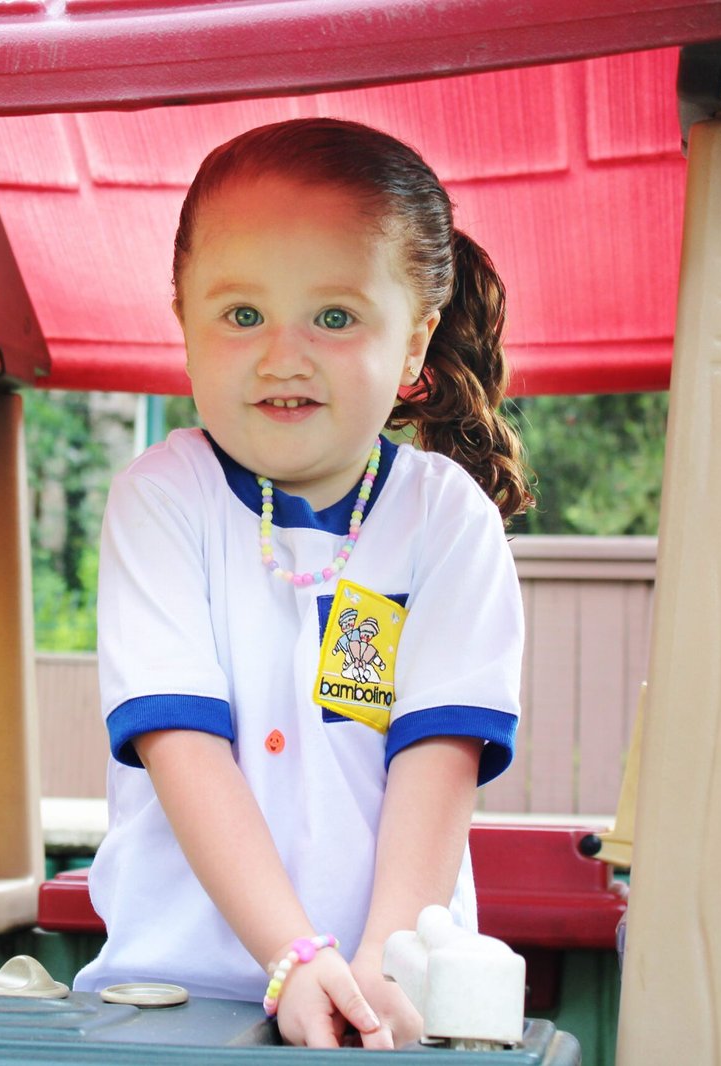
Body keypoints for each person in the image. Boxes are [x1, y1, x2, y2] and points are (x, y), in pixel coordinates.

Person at [72, 117, 532, 1050]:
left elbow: (436, 762)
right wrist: (291, 956)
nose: (284, 355)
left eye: (334, 317)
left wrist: (378, 968)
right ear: (185, 325)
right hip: (172, 1003)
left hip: (390, 1004)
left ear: (415, 346)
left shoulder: (446, 523)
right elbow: (182, 745)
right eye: (242, 316)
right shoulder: (164, 502)